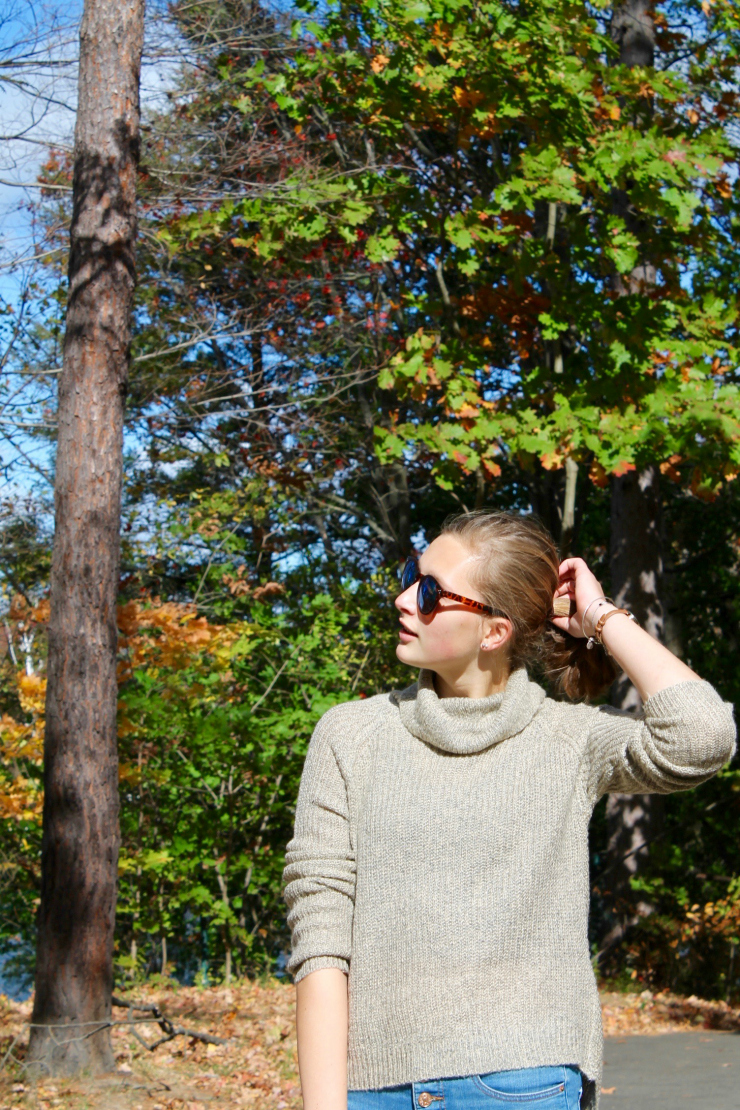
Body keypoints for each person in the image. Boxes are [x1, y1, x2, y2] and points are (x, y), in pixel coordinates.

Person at [282, 511, 737, 1110]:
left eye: (426, 591)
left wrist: (601, 618)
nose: (400, 599)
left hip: (524, 1085)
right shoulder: (351, 735)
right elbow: (320, 932)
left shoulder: (567, 741)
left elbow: (704, 737)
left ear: (494, 632)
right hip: (374, 1089)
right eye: (407, 576)